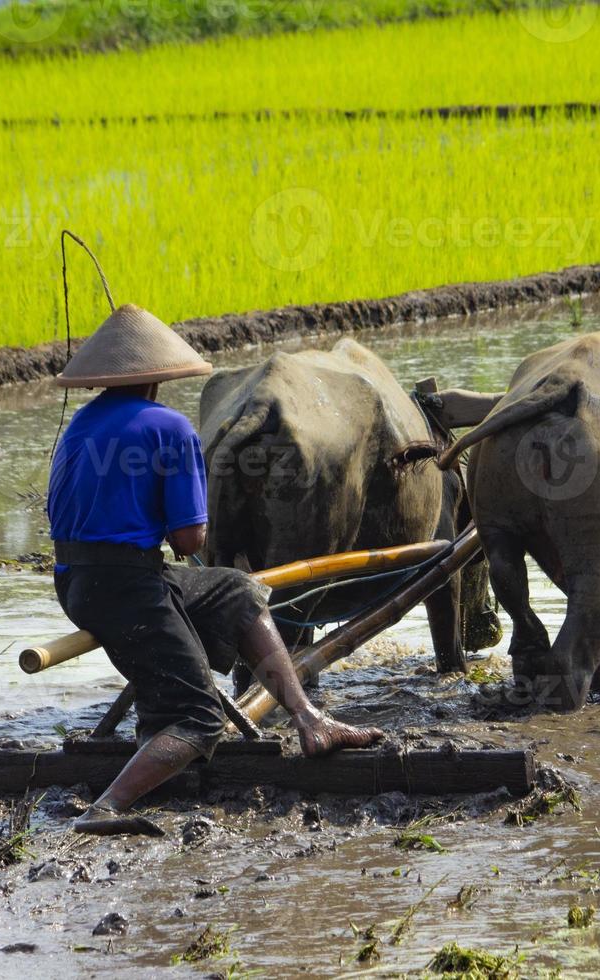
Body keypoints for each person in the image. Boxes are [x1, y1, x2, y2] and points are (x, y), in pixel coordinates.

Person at [47, 304, 384, 835]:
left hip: (80, 581)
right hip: (126, 586)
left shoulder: (80, 424)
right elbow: (189, 539)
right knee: (199, 716)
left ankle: (308, 718)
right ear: (158, 376)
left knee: (235, 590)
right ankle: (106, 808)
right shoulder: (171, 428)